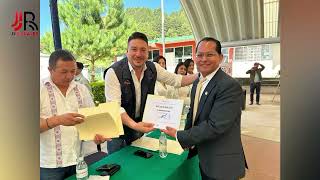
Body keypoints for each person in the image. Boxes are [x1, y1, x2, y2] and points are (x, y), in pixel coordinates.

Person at [162, 37, 247, 180]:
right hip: (205, 157)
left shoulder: (229, 86)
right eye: (200, 55)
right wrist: (187, 134)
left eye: (210, 54)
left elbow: (215, 126)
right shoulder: (198, 82)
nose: (204, 59)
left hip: (221, 163)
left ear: (220, 57)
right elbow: (193, 112)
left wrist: (180, 136)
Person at [104, 32, 198, 154]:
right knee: (119, 164)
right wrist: (135, 125)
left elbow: (176, 80)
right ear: (127, 51)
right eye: (134, 49)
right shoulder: (114, 72)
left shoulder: (153, 67)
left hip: (139, 127)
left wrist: (201, 75)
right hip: (117, 131)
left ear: (148, 52)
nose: (138, 54)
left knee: (139, 161)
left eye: (143, 50)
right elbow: (115, 108)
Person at [40, 49, 109, 180]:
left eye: (73, 71)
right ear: (50, 70)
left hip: (78, 159)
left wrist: (97, 135)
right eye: (64, 72)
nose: (69, 76)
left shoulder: (81, 89)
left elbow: (91, 120)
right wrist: (58, 120)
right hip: (48, 165)